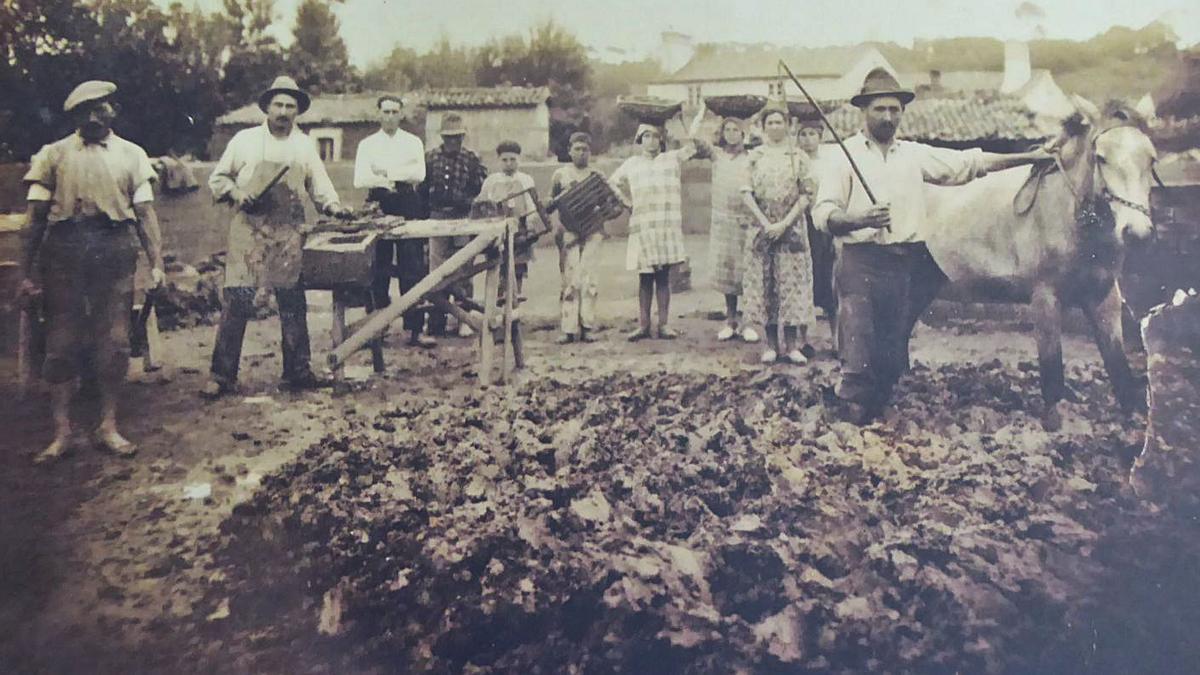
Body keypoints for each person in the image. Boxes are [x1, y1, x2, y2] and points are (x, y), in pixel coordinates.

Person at [812, 68, 1051, 423]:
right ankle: (850, 418)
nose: (888, 116)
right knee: (858, 345)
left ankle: (875, 416)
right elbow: (823, 212)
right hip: (860, 261)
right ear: (863, 111)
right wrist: (858, 219)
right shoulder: (842, 156)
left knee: (891, 354)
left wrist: (1030, 157)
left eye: (895, 109)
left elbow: (969, 163)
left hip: (902, 261)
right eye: (880, 109)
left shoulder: (913, 154)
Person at [19, 80, 165, 463]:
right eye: (84, 111)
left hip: (114, 250)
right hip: (64, 252)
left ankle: (108, 425)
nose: (92, 116)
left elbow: (145, 214)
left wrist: (157, 264)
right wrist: (25, 273)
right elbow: (34, 219)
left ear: (112, 110)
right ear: (75, 116)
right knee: (61, 343)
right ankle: (63, 432)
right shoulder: (53, 155)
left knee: (115, 342)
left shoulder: (133, 155)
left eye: (99, 108)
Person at [203, 75, 351, 398]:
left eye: (290, 106)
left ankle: (298, 371)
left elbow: (320, 187)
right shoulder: (244, 141)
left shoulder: (304, 146)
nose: (284, 111)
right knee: (238, 300)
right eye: (278, 104)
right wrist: (238, 193)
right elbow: (218, 180)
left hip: (288, 232)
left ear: (298, 111)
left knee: (292, 302)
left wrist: (335, 206)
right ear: (267, 107)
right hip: (249, 230)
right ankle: (221, 375)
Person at [610, 107, 707, 341]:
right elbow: (611, 183)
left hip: (666, 227)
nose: (651, 141)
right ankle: (643, 325)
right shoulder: (631, 164)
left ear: (661, 140)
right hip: (643, 228)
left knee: (663, 278)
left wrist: (694, 118)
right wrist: (627, 202)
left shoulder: (671, 159)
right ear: (639, 140)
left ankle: (663, 325)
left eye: (655, 136)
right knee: (645, 279)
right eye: (646, 137)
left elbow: (693, 146)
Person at [352, 94, 434, 348]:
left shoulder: (412, 142)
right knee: (378, 267)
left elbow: (418, 174)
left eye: (394, 112)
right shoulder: (367, 144)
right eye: (385, 112)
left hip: (409, 203)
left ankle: (415, 329)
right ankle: (378, 328)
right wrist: (393, 177)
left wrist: (385, 173)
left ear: (401, 114)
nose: (389, 117)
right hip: (378, 203)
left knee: (413, 267)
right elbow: (360, 179)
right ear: (378, 114)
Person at [740, 102, 818, 365]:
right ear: (763, 127)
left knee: (791, 285)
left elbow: (807, 195)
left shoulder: (798, 157)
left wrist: (784, 224)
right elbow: (746, 194)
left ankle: (793, 344)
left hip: (791, 228)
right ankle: (770, 344)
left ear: (787, 125)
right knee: (767, 286)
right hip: (762, 229)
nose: (775, 126)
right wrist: (766, 224)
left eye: (779, 122)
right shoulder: (754, 157)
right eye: (770, 122)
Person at [421, 113, 489, 338]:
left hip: (463, 219)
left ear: (463, 137)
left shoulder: (471, 159)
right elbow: (422, 189)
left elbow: (479, 187)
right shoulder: (430, 158)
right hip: (437, 218)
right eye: (449, 138)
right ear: (442, 137)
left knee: (464, 269)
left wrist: (466, 202)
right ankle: (436, 320)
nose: (453, 142)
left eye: (457, 137)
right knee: (436, 270)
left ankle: (464, 318)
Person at [550, 132, 609, 343]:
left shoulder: (597, 175)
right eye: (577, 149)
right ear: (569, 150)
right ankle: (568, 328)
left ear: (590, 152)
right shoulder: (560, 175)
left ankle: (587, 326)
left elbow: (608, 204)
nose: (581, 153)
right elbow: (551, 203)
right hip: (569, 230)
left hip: (593, 230)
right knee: (571, 280)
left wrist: (597, 214)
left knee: (589, 279)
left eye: (585, 149)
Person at [708, 116, 758, 344]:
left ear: (743, 133)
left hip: (746, 221)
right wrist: (702, 114)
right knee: (727, 273)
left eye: (735, 130)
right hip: (723, 221)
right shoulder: (717, 156)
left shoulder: (752, 157)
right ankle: (730, 321)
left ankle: (747, 323)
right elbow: (694, 141)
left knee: (746, 274)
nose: (731, 134)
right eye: (727, 130)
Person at [477, 140, 540, 296]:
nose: (509, 163)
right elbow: (483, 205)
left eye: (513, 159)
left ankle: (515, 301)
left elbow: (532, 206)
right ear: (498, 160)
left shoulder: (526, 180)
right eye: (505, 160)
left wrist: (530, 227)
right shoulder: (491, 181)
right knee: (497, 266)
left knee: (518, 266)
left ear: (519, 159)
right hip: (498, 231)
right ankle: (497, 301)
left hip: (520, 231)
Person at [797, 118, 838, 343]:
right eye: (803, 134)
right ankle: (804, 340)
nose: (808, 139)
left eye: (812, 134)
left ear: (820, 137)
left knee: (829, 281)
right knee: (804, 282)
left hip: (822, 226)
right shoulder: (795, 163)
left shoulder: (829, 164)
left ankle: (835, 338)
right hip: (800, 226)